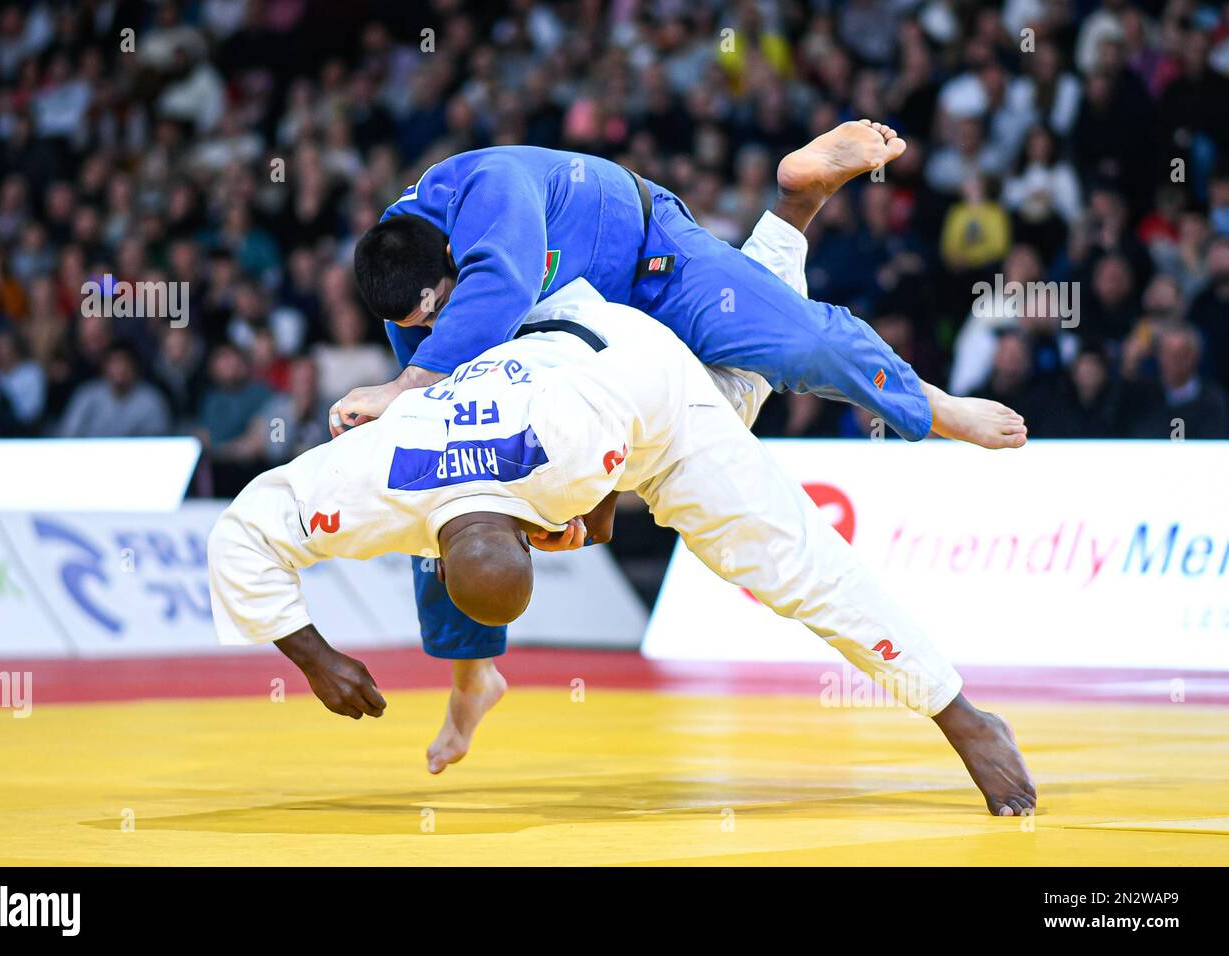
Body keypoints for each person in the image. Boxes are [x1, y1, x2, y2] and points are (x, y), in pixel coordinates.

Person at [208, 210, 1036, 818]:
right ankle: (956, 713)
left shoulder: (389, 474)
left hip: (629, 364)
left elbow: (243, 529)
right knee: (794, 561)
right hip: (534, 344)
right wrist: (313, 655)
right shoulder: (384, 473)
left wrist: (313, 657)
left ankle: (787, 229)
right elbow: (245, 534)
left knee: (768, 506)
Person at [332, 122, 1028, 699]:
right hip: (593, 351)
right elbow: (449, 464)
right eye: (422, 325)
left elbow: (500, 282)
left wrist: (405, 389)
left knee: (796, 342)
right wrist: (469, 671)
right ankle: (794, 207)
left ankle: (929, 402)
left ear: (452, 258)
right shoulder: (420, 322)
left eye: (441, 305)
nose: (435, 325)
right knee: (453, 474)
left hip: (652, 262)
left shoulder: (486, 188)